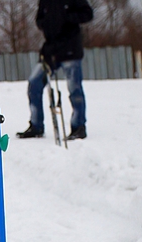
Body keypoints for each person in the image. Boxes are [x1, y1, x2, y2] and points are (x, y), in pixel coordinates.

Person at [17, 0, 94, 140]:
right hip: (51, 51)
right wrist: (46, 23)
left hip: (71, 49)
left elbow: (88, 14)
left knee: (74, 89)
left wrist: (67, 17)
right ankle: (36, 125)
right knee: (34, 83)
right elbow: (39, 19)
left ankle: (78, 127)